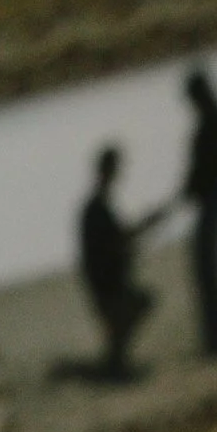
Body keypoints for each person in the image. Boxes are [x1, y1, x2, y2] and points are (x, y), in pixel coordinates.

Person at [72, 144, 166, 384]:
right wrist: (145, 226)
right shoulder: (96, 208)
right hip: (107, 286)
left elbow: (117, 240)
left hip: (108, 283)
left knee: (133, 308)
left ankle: (116, 363)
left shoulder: (98, 206)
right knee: (132, 308)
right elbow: (115, 242)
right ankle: (115, 365)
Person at [180, 65, 217, 359]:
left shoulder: (211, 122)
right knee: (208, 270)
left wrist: (190, 188)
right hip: (210, 202)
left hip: (210, 202)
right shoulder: (214, 120)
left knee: (207, 271)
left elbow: (205, 169)